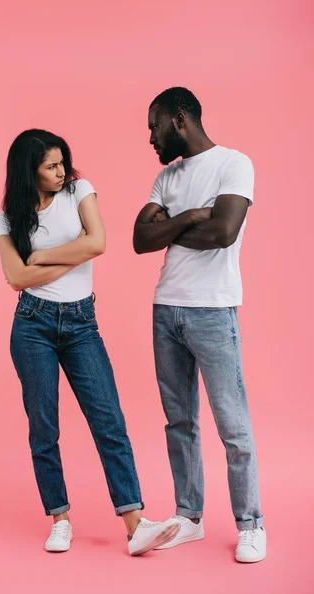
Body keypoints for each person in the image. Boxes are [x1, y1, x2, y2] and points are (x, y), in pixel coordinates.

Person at [0, 129, 180, 556]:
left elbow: (98, 242)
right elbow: (16, 279)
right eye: (51, 166)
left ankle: (135, 526)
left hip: (81, 324)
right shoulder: (7, 218)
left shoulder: (80, 189)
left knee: (109, 420)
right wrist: (68, 253)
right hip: (31, 326)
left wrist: (40, 256)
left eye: (63, 162)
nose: (62, 171)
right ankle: (59, 519)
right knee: (44, 427)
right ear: (30, 172)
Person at [133, 88, 266, 563]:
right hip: (165, 309)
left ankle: (250, 523)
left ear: (179, 119)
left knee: (232, 423)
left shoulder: (234, 163)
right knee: (179, 421)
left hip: (213, 309)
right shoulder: (165, 177)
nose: (150, 136)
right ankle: (189, 517)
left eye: (155, 125)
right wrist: (192, 215)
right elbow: (139, 239)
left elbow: (224, 231)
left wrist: (170, 226)